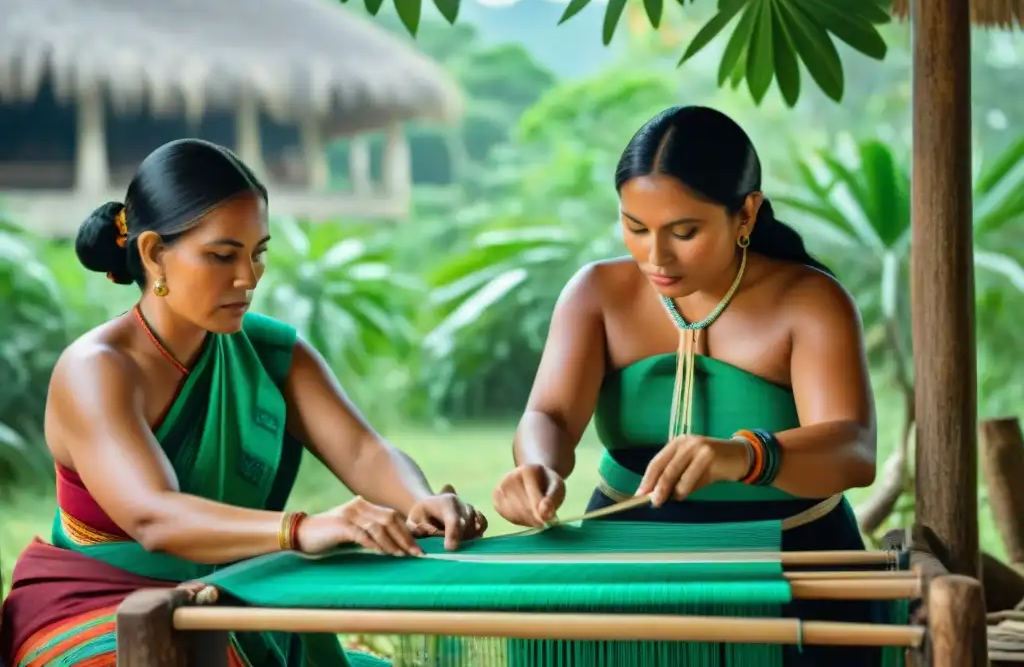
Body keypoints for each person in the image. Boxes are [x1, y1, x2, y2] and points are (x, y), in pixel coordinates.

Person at [0, 139, 487, 667]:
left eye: (258, 253)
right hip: (99, 612)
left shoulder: (273, 352)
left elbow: (364, 452)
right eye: (221, 255)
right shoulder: (96, 369)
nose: (248, 278)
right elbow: (153, 516)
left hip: (232, 599)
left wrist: (418, 501)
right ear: (153, 254)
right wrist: (303, 529)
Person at [492, 106, 881, 665]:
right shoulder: (597, 293)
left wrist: (743, 455)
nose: (657, 257)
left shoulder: (810, 301)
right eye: (636, 228)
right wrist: (537, 465)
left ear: (745, 213)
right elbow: (548, 414)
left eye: (684, 232)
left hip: (792, 569)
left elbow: (854, 449)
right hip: (627, 566)